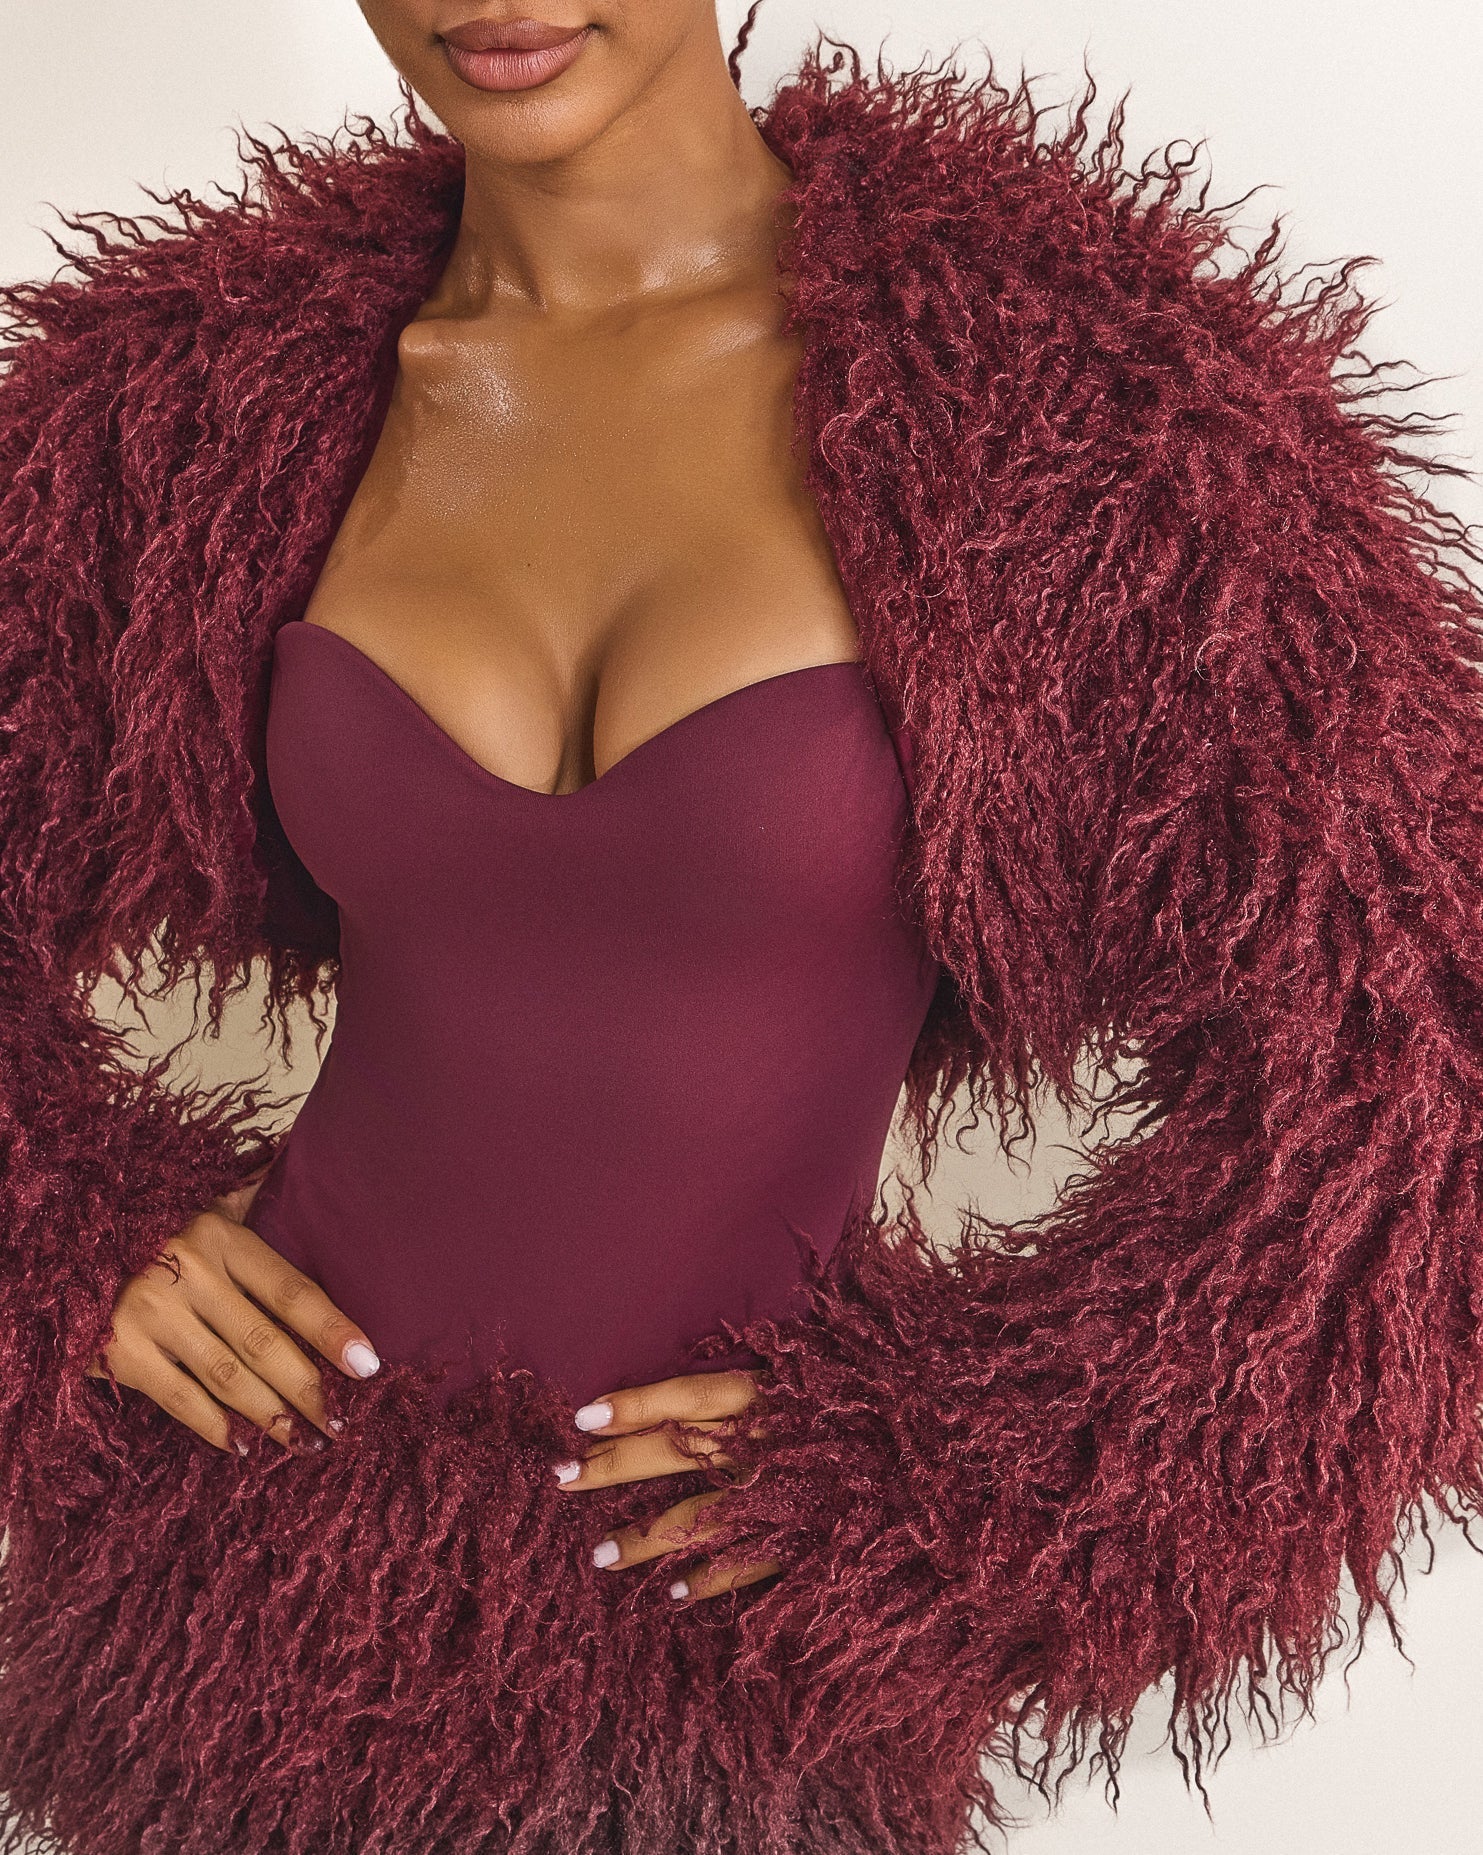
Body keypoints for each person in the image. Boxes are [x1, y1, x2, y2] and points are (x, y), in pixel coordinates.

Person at [1, 5, 1480, 1853]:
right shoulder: (207, 398)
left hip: (739, 1671)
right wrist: (57, 1226)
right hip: (233, 1593)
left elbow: (1425, 1052)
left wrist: (970, 1495)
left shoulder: (1076, 406)